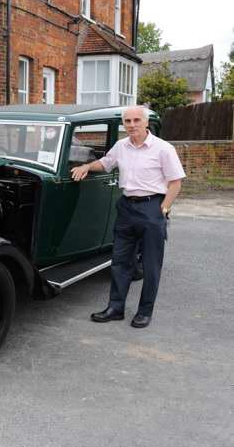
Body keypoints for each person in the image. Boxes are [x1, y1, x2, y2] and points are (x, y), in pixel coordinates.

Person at [70, 106, 186, 328]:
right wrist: (85, 166)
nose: (132, 125)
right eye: (128, 121)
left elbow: (176, 182)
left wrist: (164, 209)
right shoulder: (121, 146)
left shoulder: (163, 148)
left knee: (151, 265)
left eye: (136, 120)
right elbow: (105, 163)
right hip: (126, 208)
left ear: (145, 122)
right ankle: (116, 308)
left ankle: (144, 311)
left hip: (152, 207)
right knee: (121, 261)